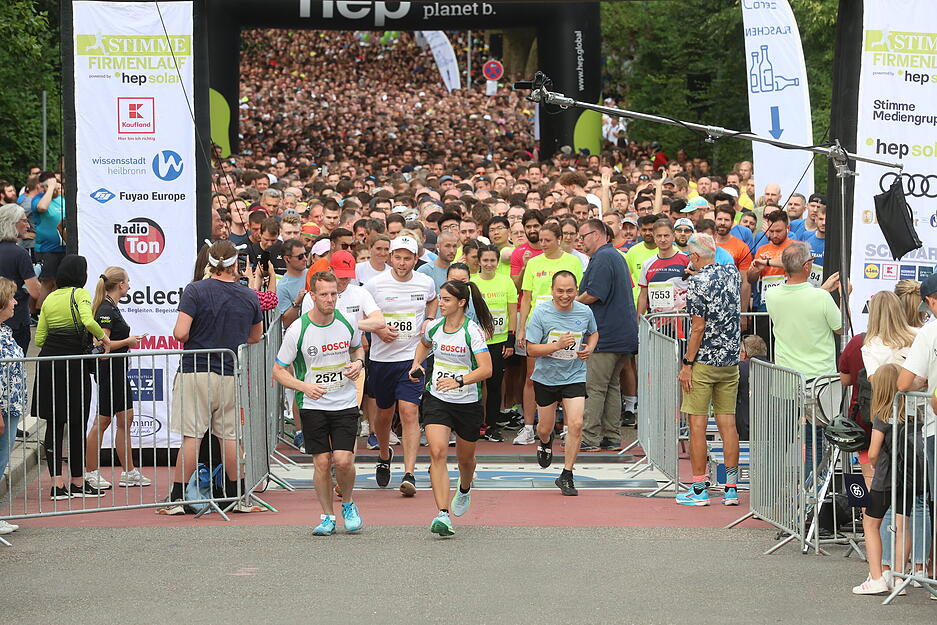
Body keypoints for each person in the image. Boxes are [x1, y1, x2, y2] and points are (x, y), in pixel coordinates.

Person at [159, 240, 264, 515]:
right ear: (235, 263)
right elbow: (255, 337)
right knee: (229, 437)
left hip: (196, 369)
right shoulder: (248, 295)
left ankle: (177, 499)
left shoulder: (195, 290)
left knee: (192, 436)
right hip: (230, 372)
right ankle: (236, 496)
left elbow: (180, 333)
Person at [273, 271, 365, 535]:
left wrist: (358, 363)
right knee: (322, 462)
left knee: (344, 460)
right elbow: (278, 370)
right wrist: (305, 387)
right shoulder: (298, 329)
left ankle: (347, 503)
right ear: (312, 296)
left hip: (345, 402)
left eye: (334, 294)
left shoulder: (347, 321)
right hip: (313, 405)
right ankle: (327, 516)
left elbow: (359, 348)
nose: (330, 299)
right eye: (323, 294)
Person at [409, 280, 494, 536]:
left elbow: (486, 369)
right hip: (437, 399)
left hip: (467, 402)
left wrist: (459, 380)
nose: (441, 304)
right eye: (441, 299)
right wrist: (416, 365)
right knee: (437, 452)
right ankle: (443, 515)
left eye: (446, 300)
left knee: (466, 460)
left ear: (461, 303)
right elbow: (424, 344)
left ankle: (465, 488)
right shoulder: (434, 327)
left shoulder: (473, 332)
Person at [363, 235, 438, 496]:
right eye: (398, 257)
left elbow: (433, 299)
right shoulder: (374, 285)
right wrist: (379, 331)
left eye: (408, 258)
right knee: (383, 415)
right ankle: (384, 455)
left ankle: (410, 473)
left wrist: (428, 319)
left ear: (416, 259)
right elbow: (363, 316)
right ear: (390, 258)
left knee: (409, 412)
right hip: (382, 359)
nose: (403, 262)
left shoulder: (425, 282)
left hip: (412, 357)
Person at [33, 255, 110, 499]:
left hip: (49, 364)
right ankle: (77, 482)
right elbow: (88, 320)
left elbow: (39, 339)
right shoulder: (80, 294)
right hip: (74, 364)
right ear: (80, 274)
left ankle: (57, 485)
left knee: (54, 424)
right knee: (77, 421)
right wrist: (103, 338)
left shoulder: (50, 297)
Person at [763, 242, 843, 476]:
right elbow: (840, 328)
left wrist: (823, 292)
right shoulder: (821, 298)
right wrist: (839, 296)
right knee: (817, 441)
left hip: (787, 379)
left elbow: (802, 303)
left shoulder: (772, 294)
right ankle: (811, 493)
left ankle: (775, 492)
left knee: (783, 438)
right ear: (808, 266)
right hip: (819, 380)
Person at [676, 234, 742, 506]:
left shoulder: (697, 283)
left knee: (697, 424)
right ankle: (730, 489)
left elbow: (698, 328)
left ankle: (699, 489)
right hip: (730, 359)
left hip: (704, 360)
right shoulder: (732, 274)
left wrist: (687, 364)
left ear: (694, 257)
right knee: (728, 424)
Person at [525, 271, 598, 495]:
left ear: (576, 290)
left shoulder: (584, 311)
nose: (565, 296)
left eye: (569, 291)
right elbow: (531, 349)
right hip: (546, 377)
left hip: (574, 375)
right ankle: (545, 442)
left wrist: (590, 349)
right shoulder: (541, 313)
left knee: (576, 424)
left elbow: (593, 333)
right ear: (552, 291)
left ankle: (567, 474)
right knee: (545, 428)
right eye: (560, 291)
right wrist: (556, 346)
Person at [852, 364, 921, 595]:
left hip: (885, 479)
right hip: (909, 478)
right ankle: (900, 577)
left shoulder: (883, 415)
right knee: (903, 525)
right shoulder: (913, 415)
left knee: (871, 524)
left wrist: (872, 463)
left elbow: (872, 452)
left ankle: (876, 577)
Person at [514, 222, 584, 445]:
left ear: (559, 238)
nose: (542, 244)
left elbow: (578, 293)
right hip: (539, 326)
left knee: (566, 372)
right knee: (532, 376)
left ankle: (565, 427)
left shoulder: (573, 261)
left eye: (547, 240)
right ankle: (528, 426)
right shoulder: (534, 263)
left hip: (566, 324)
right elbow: (526, 297)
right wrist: (522, 327)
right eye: (540, 240)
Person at [83, 267, 150, 490]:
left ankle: (129, 472)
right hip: (109, 371)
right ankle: (91, 473)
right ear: (120, 285)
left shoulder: (111, 307)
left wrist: (127, 342)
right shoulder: (105, 309)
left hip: (119, 371)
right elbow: (102, 346)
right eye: (128, 282)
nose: (129, 285)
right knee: (102, 422)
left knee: (125, 419)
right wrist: (128, 342)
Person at [576, 219, 638, 450]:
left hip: (606, 335)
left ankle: (590, 437)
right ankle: (611, 436)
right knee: (612, 387)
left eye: (583, 236)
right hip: (621, 335)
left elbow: (593, 293)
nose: (581, 241)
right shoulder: (615, 256)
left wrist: (571, 304)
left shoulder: (602, 257)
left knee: (595, 387)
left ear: (598, 234)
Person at [473, 244, 518, 442]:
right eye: (485, 260)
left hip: (499, 341)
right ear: (479, 262)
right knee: (474, 385)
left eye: (493, 260)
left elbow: (511, 312)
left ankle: (491, 425)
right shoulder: (473, 283)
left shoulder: (506, 282)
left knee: (494, 385)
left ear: (497, 261)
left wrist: (510, 339)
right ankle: (473, 425)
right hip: (475, 343)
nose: (489, 264)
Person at [0, 278, 26, 534]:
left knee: (3, 459)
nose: (16, 302)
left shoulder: (5, 330)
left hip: (11, 407)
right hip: (3, 409)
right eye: (11, 298)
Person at [0, 204, 39, 353]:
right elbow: (35, 292)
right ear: (12, 223)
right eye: (24, 221)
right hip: (16, 320)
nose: (28, 225)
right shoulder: (20, 254)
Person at [276, 238, 309, 328]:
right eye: (300, 257)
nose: (305, 259)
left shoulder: (313, 273)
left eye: (305, 254)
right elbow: (285, 322)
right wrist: (297, 303)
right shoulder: (282, 287)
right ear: (287, 259)